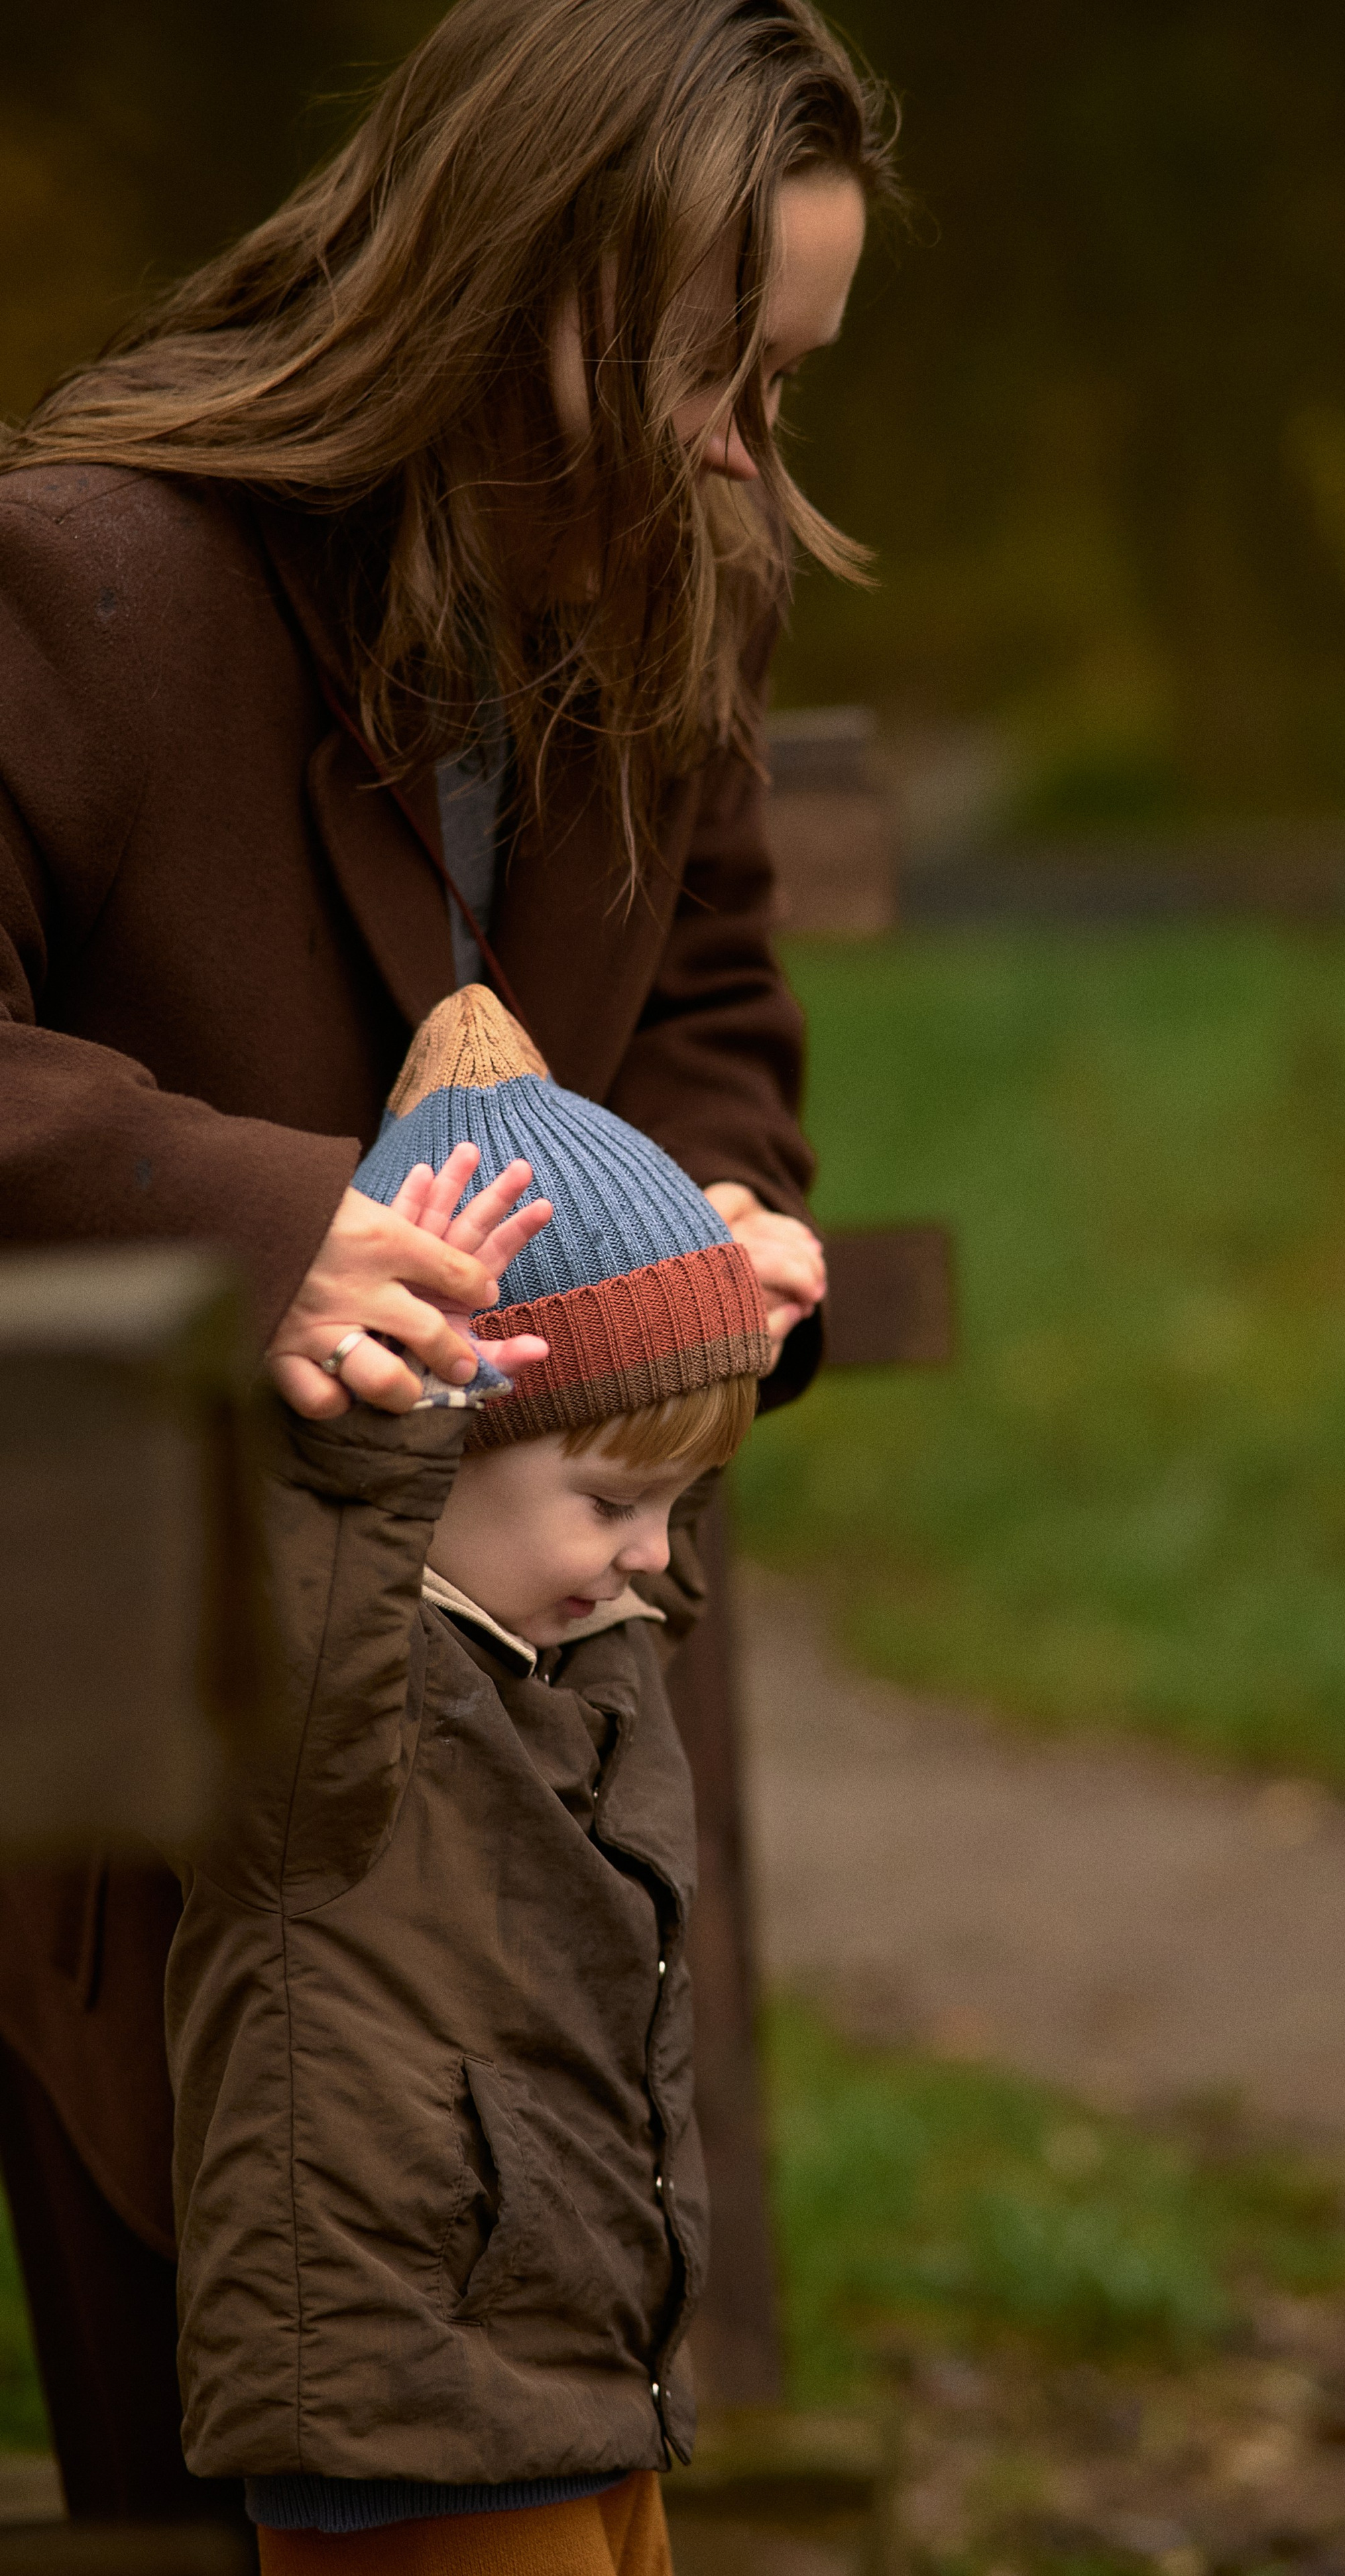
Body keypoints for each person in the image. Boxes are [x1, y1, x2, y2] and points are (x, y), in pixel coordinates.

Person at [0, 0, 892, 2526]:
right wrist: (256, 1227)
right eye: (720, 368)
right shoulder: (83, 579)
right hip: (163, 1730)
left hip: (537, 1709)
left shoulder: (679, 577)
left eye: (789, 380)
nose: (750, 453)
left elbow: (708, 995)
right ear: (528, 282)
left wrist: (718, 1210)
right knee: (244, 2443)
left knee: (552, 2390)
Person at [170, 984, 770, 2576]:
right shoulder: (318, 1712)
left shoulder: (566, 1640)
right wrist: (381, 1424)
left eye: (682, 1500)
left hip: (579, 2375)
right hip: (408, 2418)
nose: (647, 1553)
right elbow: (321, 1606)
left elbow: (634, 1547)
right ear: (430, 1445)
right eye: (613, 1502)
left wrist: (730, 1316)